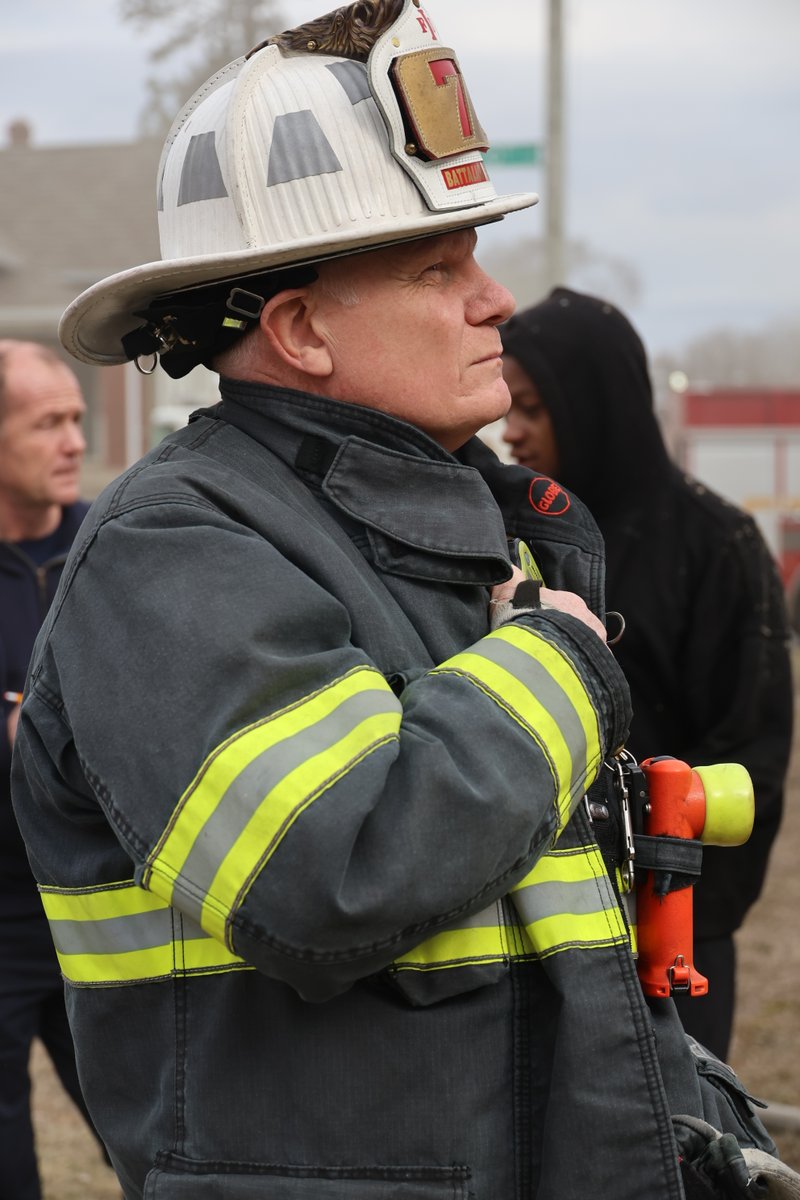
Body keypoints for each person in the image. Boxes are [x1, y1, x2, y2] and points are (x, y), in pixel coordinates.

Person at [9, 4, 786, 1198]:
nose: (493, 302)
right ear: (303, 329)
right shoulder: (177, 549)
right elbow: (338, 865)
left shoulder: (438, 528)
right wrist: (555, 669)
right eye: (439, 267)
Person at [500, 287, 793, 1061]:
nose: (510, 430)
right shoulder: (506, 539)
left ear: (594, 405)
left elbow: (750, 759)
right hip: (525, 937)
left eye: (531, 406)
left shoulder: (715, 545)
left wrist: (669, 905)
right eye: (507, 404)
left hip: (671, 943)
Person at [0, 340, 109, 1199]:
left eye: (76, 418)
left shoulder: (110, 550)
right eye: (47, 423)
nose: (74, 440)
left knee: (144, 1139)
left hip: (98, 906)